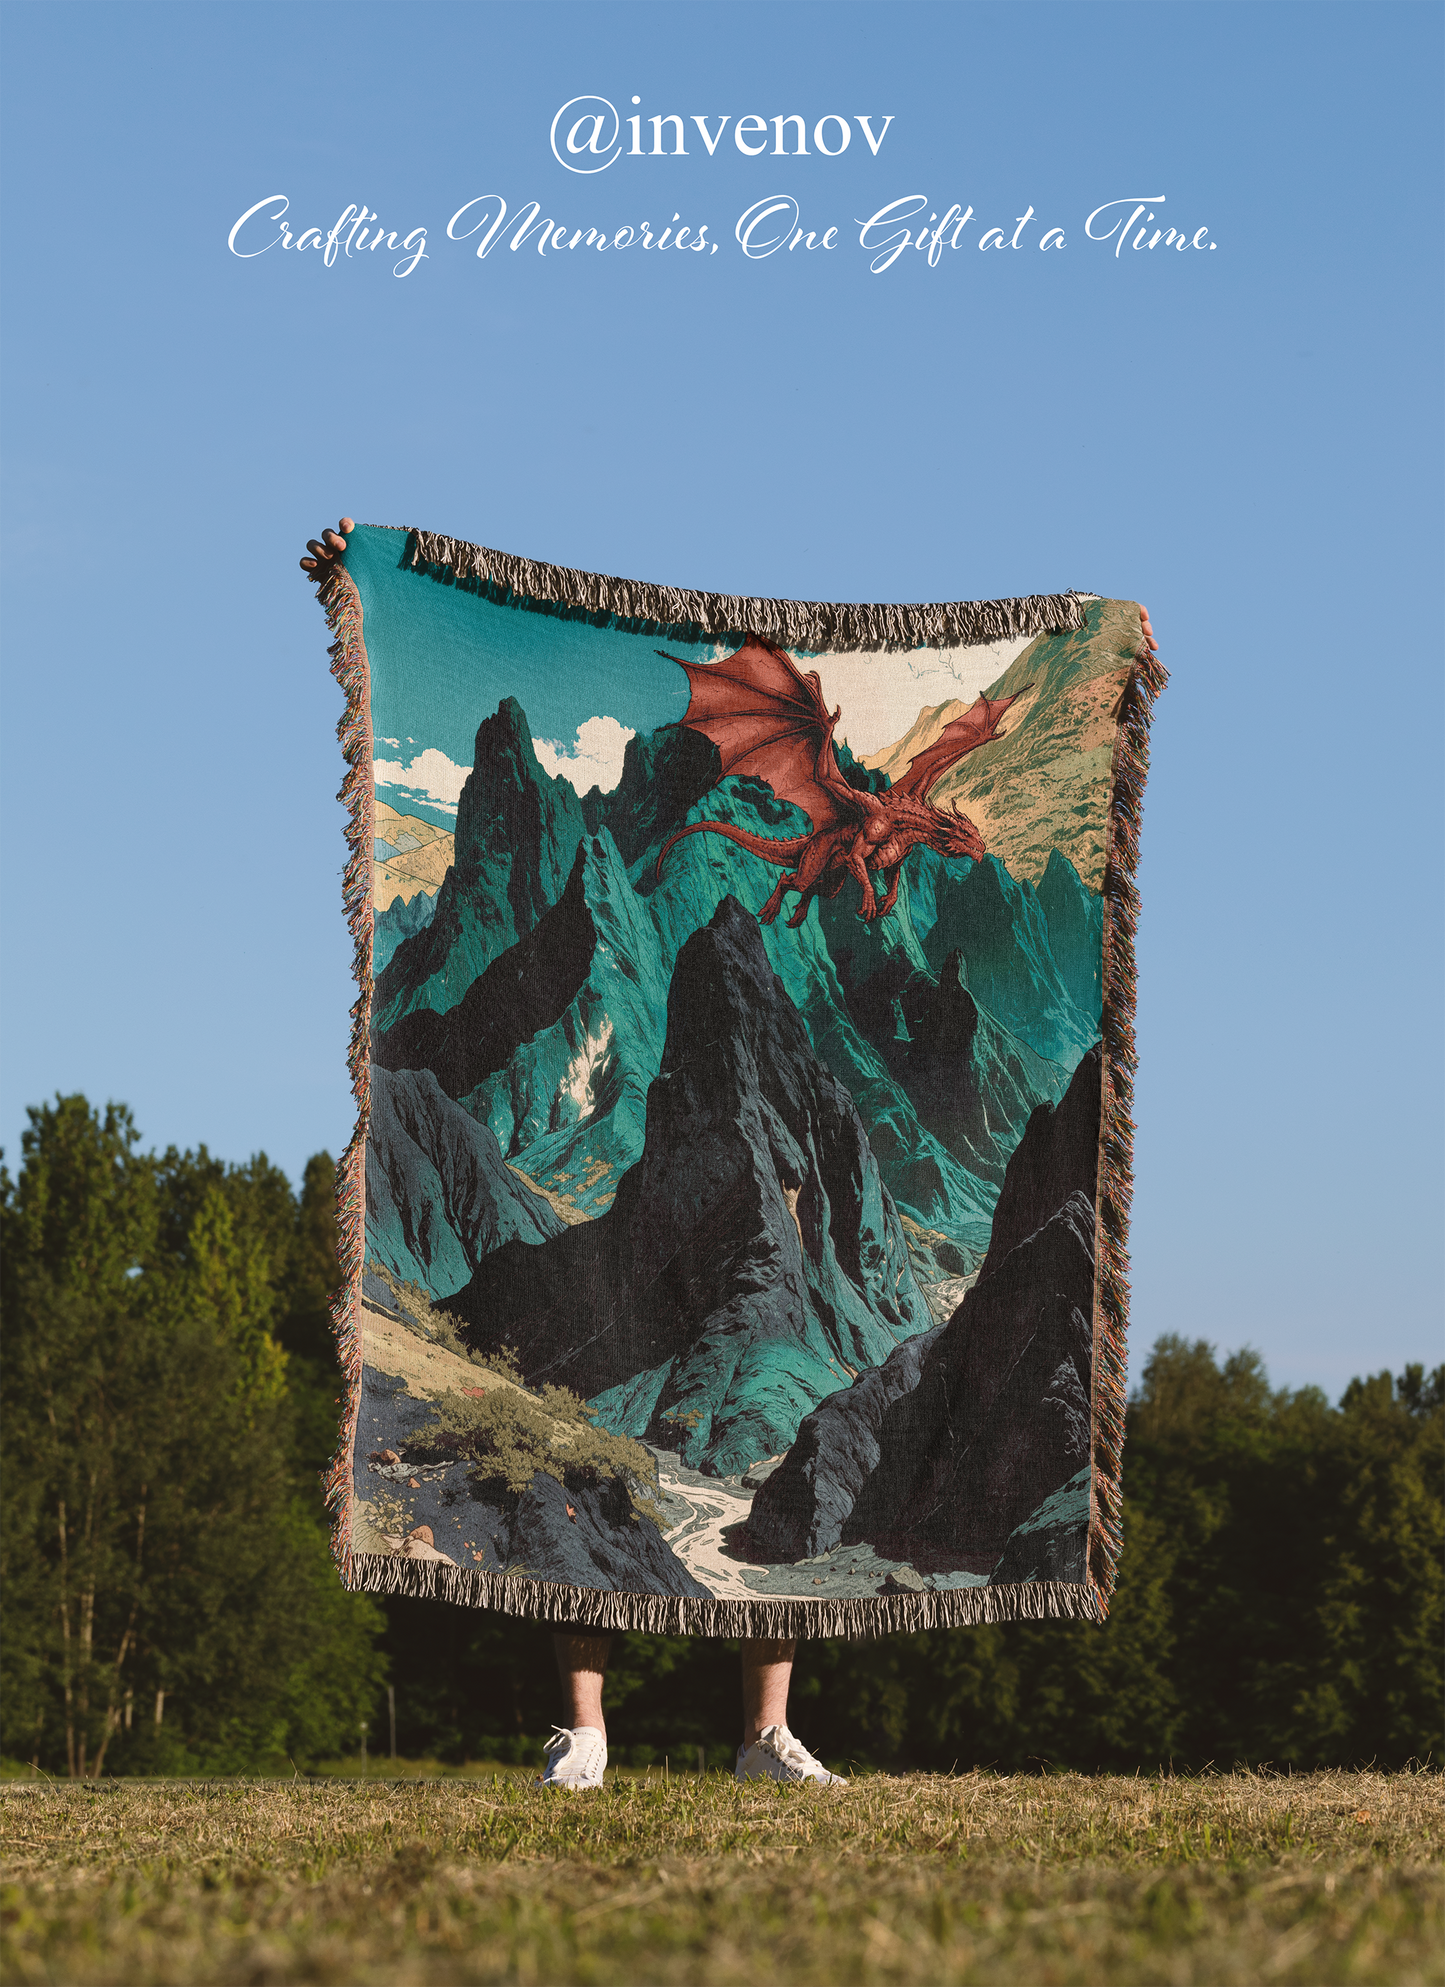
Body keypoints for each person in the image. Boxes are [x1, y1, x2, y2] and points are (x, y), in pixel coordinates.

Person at [301, 518, 1159, 1789]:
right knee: (577, 1436)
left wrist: (1104, 653)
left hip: (788, 1023)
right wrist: (362, 565)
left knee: (773, 1444)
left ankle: (762, 1733)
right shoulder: (826, 800)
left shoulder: (899, 822)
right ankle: (585, 1731)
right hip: (686, 1120)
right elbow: (835, 857)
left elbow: (897, 838)